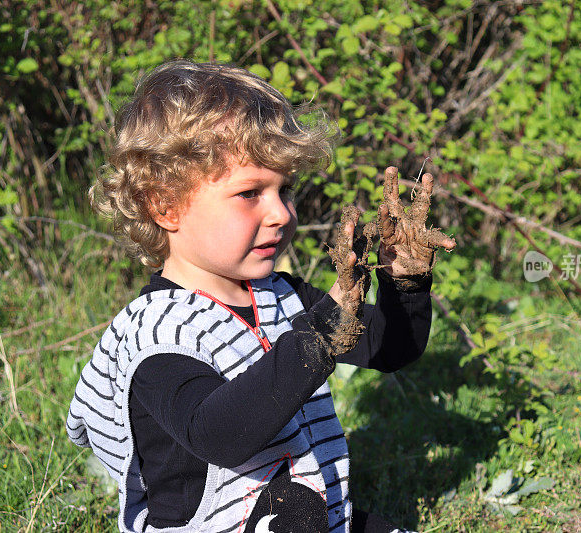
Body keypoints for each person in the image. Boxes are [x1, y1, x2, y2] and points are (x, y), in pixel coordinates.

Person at [66, 60, 455, 533]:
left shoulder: (282, 295)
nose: (280, 213)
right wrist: (318, 341)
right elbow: (220, 436)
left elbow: (393, 348)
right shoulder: (157, 335)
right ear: (165, 205)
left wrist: (405, 283)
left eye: (284, 189)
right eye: (250, 193)